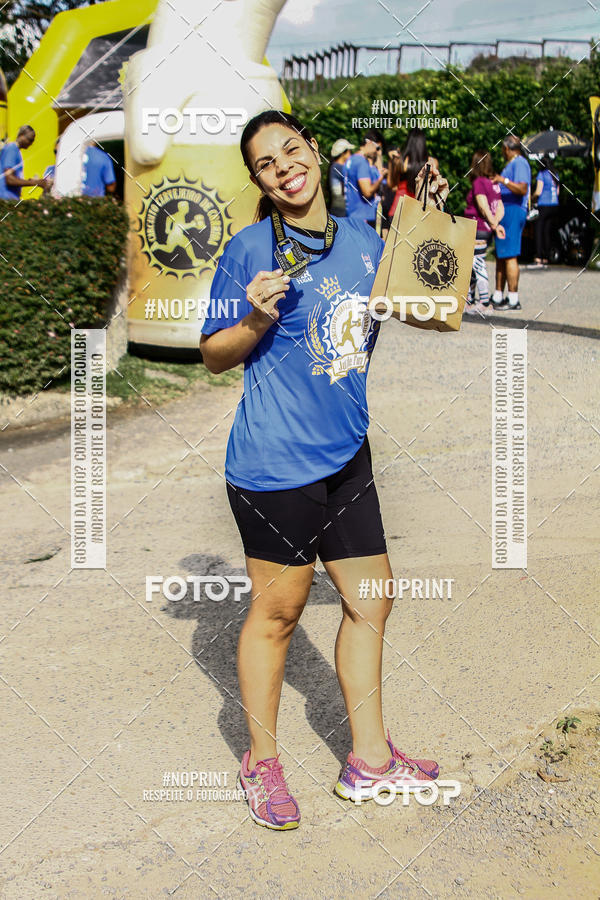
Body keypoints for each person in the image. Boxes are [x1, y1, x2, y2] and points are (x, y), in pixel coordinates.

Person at [199, 110, 445, 831]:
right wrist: (255, 322)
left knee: (372, 602)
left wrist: (435, 251)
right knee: (278, 616)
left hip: (347, 455)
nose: (284, 166)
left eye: (291, 149)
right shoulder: (249, 251)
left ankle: (370, 761)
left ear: (313, 152)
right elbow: (213, 353)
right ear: (259, 182)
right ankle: (261, 764)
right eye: (266, 163)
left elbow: (429, 310)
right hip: (274, 467)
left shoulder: (365, 242)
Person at [490, 134, 531, 311]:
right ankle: (498, 294)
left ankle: (513, 299)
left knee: (510, 255)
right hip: (506, 212)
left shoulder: (519, 162)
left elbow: (522, 188)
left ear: (507, 148)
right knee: (501, 254)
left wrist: (502, 180)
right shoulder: (512, 164)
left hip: (514, 210)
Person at [463, 150, 505, 314]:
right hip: (486, 229)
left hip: (477, 227)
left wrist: (493, 224)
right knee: (472, 264)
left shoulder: (479, 182)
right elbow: (500, 207)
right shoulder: (493, 183)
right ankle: (469, 300)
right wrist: (496, 224)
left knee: (477, 265)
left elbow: (482, 205)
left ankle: (484, 302)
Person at [344, 129, 386, 226]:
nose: (377, 153)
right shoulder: (362, 162)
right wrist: (381, 177)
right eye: (378, 148)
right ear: (370, 143)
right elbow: (367, 192)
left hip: (351, 213)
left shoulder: (350, 160)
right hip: (362, 218)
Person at [0, 125, 48, 200]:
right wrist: (36, 183)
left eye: (33, 141)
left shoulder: (16, 151)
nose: (31, 143)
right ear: (21, 135)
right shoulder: (12, 149)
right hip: (6, 197)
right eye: (30, 140)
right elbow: (9, 179)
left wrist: (30, 181)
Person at [533, 154, 560, 265]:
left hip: (544, 204)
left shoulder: (542, 174)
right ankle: (547, 256)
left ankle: (539, 256)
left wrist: (532, 197)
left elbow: (538, 191)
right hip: (554, 205)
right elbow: (558, 192)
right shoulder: (555, 174)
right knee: (547, 231)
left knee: (539, 230)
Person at [327, 138, 354, 217]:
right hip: (341, 209)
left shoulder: (335, 166)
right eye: (349, 151)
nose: (351, 154)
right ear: (343, 153)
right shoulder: (338, 167)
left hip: (339, 208)